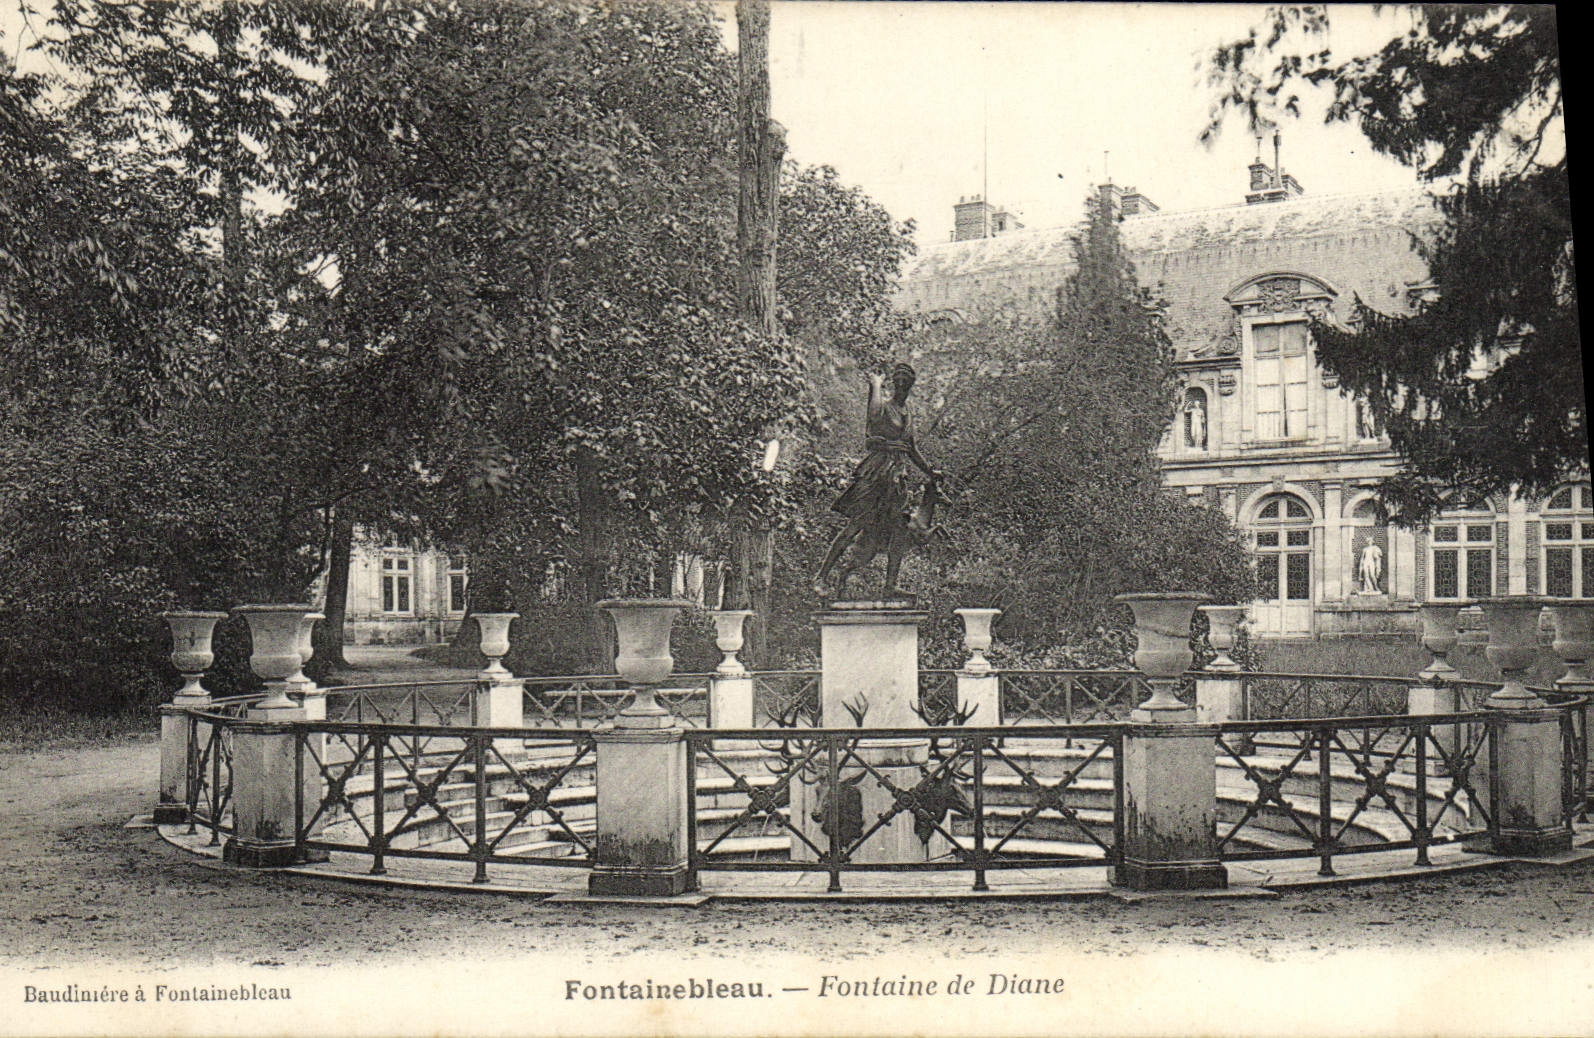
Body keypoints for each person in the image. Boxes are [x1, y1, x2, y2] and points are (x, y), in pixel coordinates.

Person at [815, 363, 942, 597]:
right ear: (893, 384)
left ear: (911, 386)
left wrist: (930, 471)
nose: (902, 387)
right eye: (899, 382)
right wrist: (875, 385)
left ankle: (890, 586)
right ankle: (821, 577)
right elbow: (871, 428)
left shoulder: (908, 414)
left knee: (899, 530)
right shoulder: (883, 407)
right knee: (856, 525)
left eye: (907, 383)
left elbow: (911, 448)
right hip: (876, 473)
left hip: (896, 478)